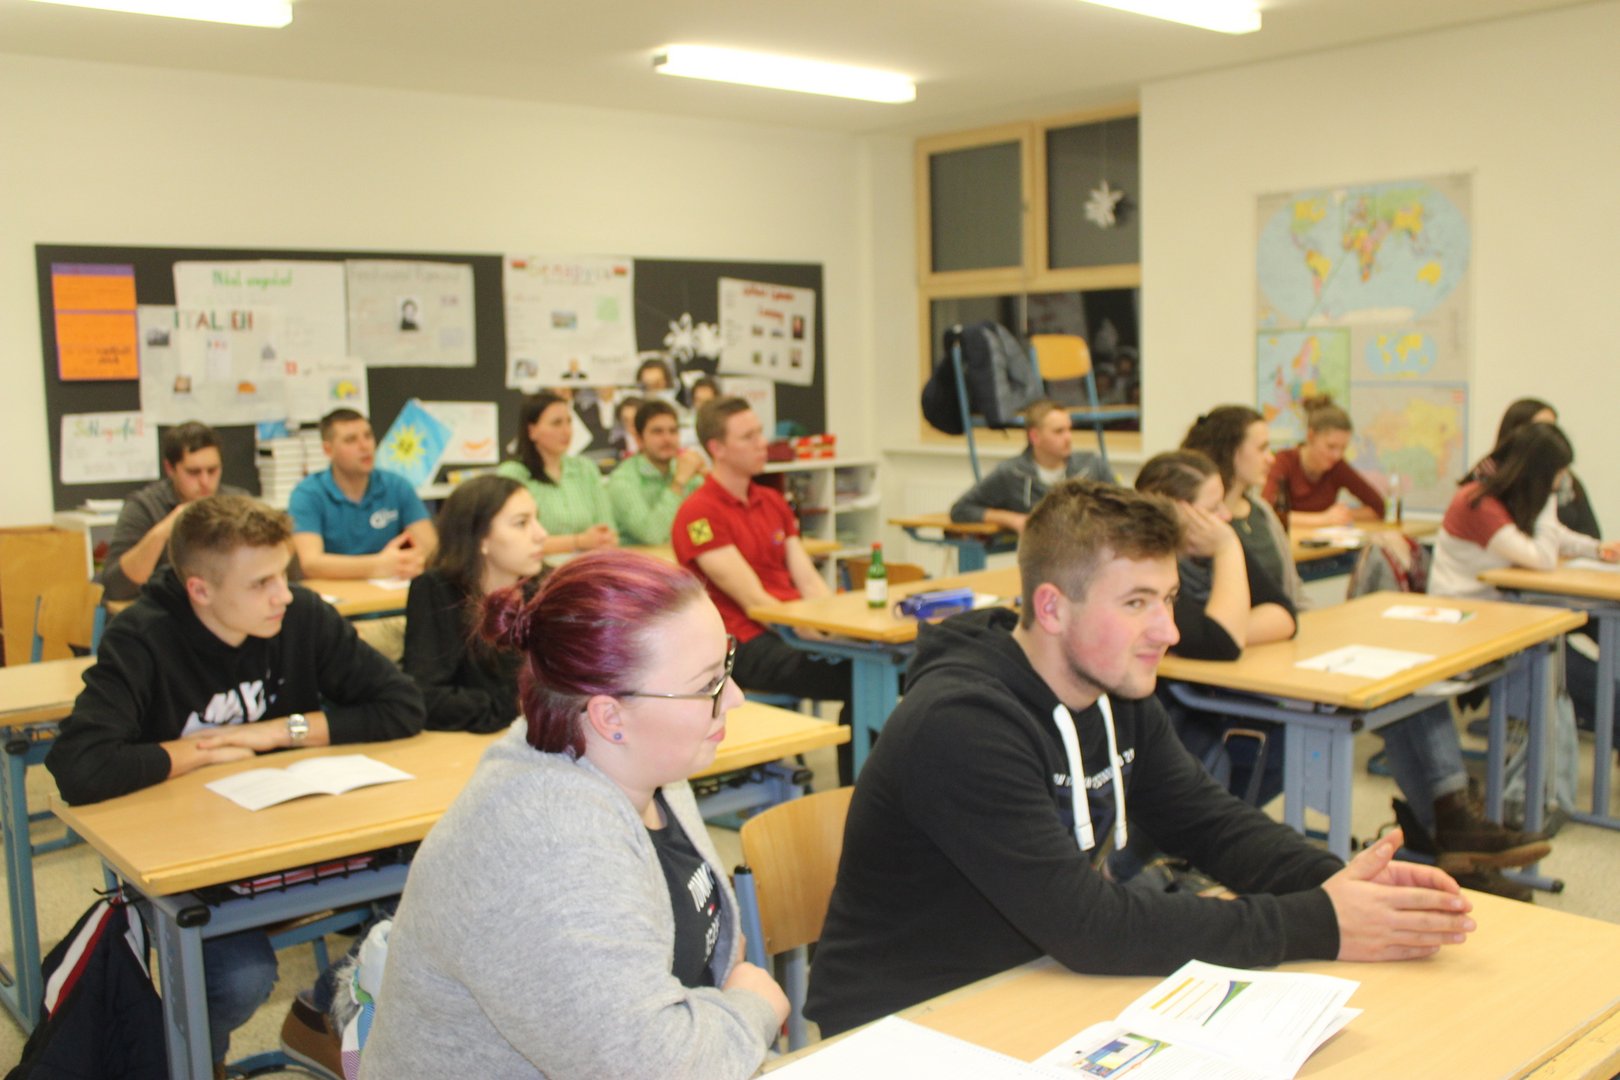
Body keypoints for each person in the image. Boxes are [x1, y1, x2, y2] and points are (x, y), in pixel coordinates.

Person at [805, 480, 1476, 1037]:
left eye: (1169, 599)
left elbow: (1212, 824)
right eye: (1136, 604)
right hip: (906, 1025)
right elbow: (1090, 927)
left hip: (1039, 985)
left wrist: (1346, 888)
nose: (1169, 631)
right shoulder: (962, 726)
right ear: (1052, 608)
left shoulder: (1115, 691)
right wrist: (1321, 923)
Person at [360, 551, 789, 1079]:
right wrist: (752, 1009)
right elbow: (650, 1070)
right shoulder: (548, 846)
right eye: (707, 686)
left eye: (726, 667)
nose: (736, 697)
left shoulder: (643, 764)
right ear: (610, 716)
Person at [46, 495, 425, 1072]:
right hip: (195, 868)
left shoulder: (300, 615)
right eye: (261, 583)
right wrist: (194, 753)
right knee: (240, 978)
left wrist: (276, 733)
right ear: (200, 590)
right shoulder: (142, 637)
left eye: (284, 574)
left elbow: (402, 705)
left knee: (424, 901)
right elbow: (79, 766)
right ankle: (198, 1063)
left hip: (296, 842)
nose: (283, 594)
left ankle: (321, 1011)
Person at [672, 397, 854, 782]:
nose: (762, 444)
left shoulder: (772, 501)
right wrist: (814, 634)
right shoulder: (698, 513)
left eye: (760, 433)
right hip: (745, 643)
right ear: (717, 448)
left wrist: (841, 627)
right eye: (748, 437)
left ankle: (863, 781)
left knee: (877, 667)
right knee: (859, 676)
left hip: (791, 629)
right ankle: (857, 789)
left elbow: (809, 581)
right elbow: (755, 601)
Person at [402, 475, 547, 733]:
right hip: (474, 743)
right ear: (481, 538)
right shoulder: (437, 591)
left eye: (537, 519)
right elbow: (426, 697)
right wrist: (515, 705)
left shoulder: (547, 587)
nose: (541, 534)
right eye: (521, 523)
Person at [96, 421, 248, 601]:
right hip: (163, 606)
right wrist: (163, 531)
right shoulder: (143, 506)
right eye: (193, 472)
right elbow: (117, 587)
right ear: (170, 468)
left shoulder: (238, 504)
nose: (205, 481)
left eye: (212, 470)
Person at [288, 408, 438, 580]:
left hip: (390, 588)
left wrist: (413, 561)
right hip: (335, 592)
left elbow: (431, 549)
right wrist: (378, 565)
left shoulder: (396, 485)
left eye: (368, 436)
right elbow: (311, 564)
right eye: (351, 440)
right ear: (328, 450)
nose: (364, 446)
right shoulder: (308, 494)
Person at [950, 399, 1112, 532]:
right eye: (1059, 431)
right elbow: (961, 509)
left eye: (1070, 429)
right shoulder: (1011, 473)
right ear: (1034, 437)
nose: (1068, 437)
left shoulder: (1091, 465)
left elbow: (1120, 507)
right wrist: (1013, 520)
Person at [496, 391, 619, 557]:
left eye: (569, 422)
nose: (566, 431)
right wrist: (580, 541)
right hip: (537, 568)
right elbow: (515, 541)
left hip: (587, 565)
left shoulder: (586, 468)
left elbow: (608, 531)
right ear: (532, 431)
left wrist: (604, 539)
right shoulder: (513, 474)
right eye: (556, 423)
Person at [1263, 395, 1386, 527]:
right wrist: (1322, 519)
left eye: (1343, 448)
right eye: (1331, 446)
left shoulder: (1337, 466)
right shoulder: (1284, 461)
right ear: (1311, 436)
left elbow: (1378, 508)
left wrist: (1343, 514)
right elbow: (1265, 514)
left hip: (1324, 540)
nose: (1337, 455)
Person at [607, 399, 708, 545]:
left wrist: (708, 480)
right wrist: (678, 485)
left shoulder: (685, 471)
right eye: (657, 432)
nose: (667, 439)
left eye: (673, 431)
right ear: (639, 439)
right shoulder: (623, 480)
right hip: (640, 558)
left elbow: (703, 534)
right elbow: (653, 535)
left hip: (680, 556)